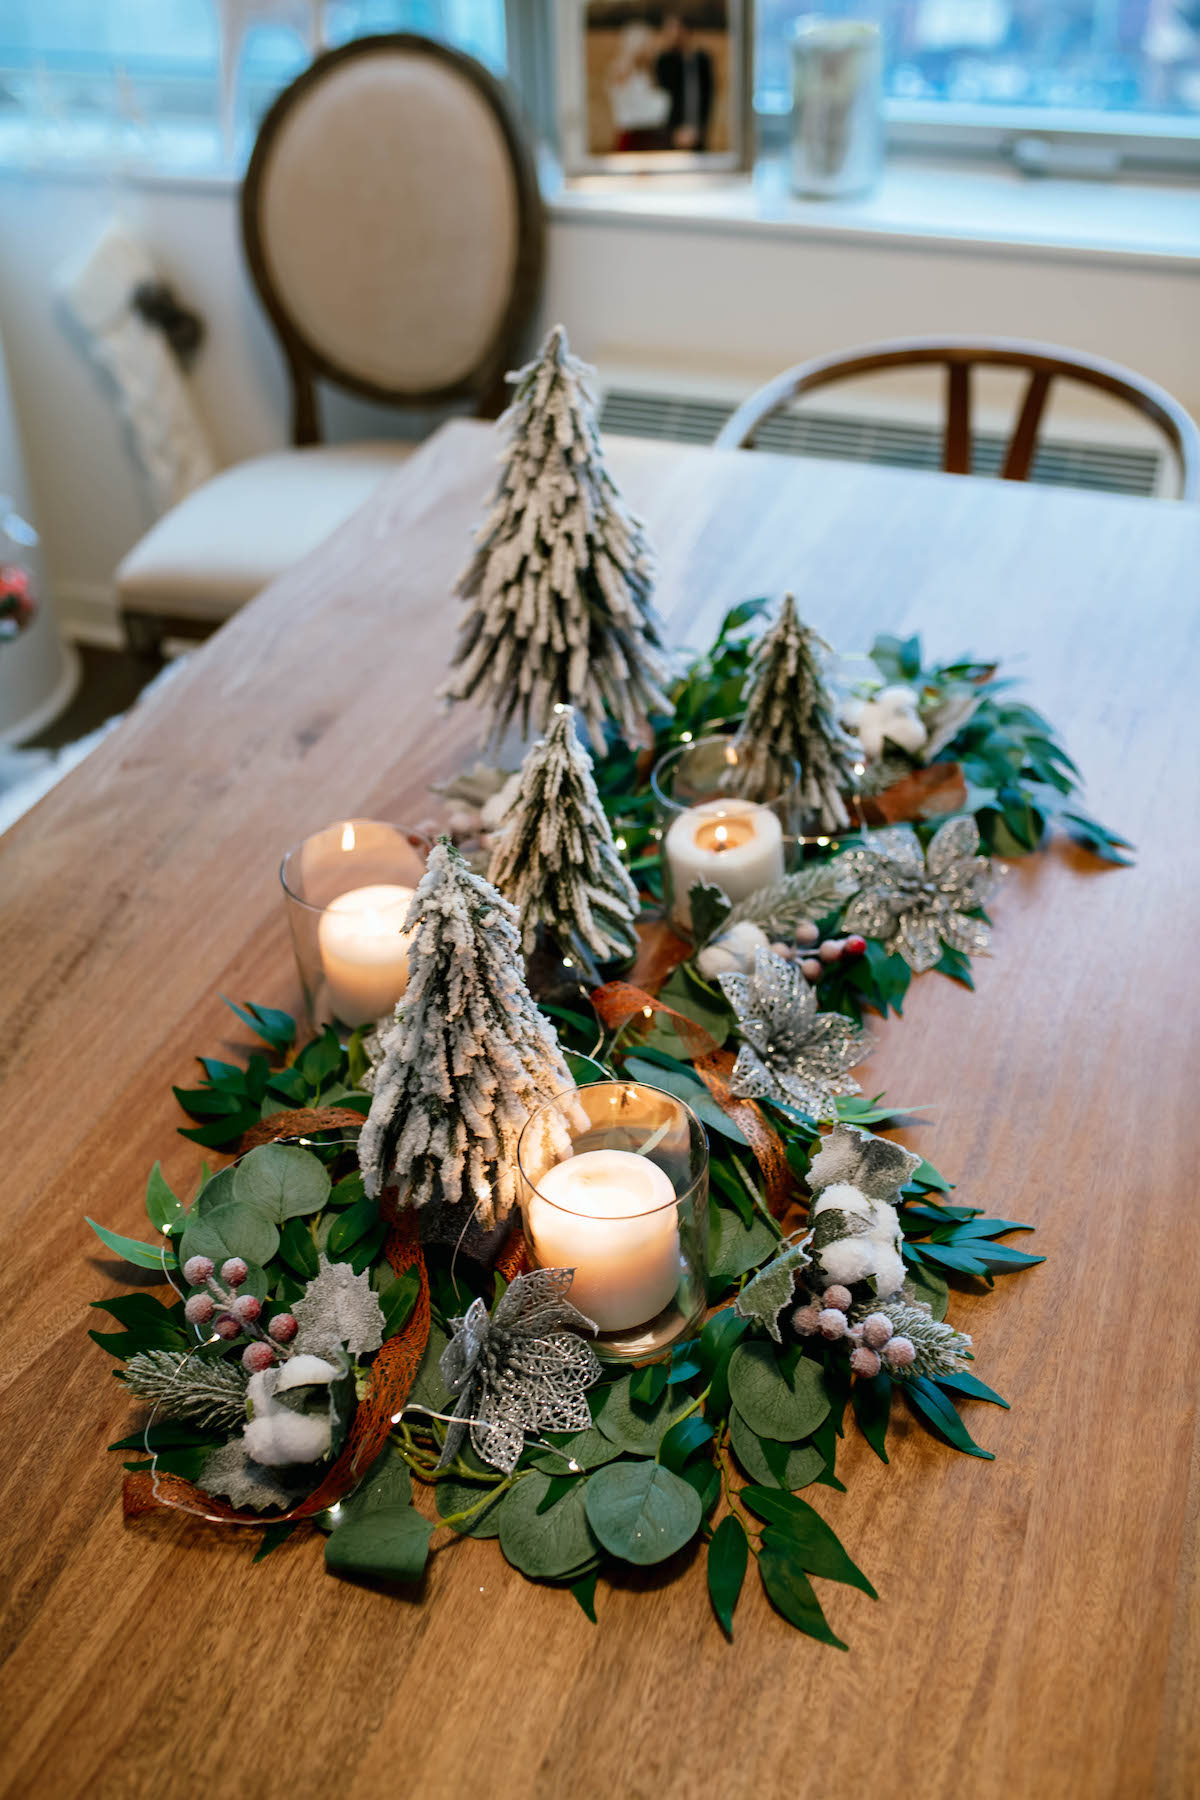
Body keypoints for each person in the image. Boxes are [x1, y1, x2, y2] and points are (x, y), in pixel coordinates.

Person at [654, 10, 715, 150]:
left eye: (675, 28)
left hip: (697, 132)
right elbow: (663, 97)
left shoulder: (701, 60)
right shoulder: (664, 61)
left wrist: (700, 129)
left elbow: (708, 97)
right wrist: (674, 131)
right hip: (671, 134)